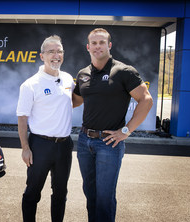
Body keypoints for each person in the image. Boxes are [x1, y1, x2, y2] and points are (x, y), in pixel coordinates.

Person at [72, 28, 153, 222]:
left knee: (104, 198)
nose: (97, 46)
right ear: (88, 47)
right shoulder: (83, 74)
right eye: (94, 43)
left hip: (109, 143)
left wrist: (126, 131)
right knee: (90, 193)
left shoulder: (124, 71)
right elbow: (74, 101)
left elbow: (146, 100)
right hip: (84, 142)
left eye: (101, 42)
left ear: (109, 45)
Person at [16, 35, 75, 222]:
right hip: (39, 145)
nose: (56, 55)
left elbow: (72, 102)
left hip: (64, 146)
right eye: (51, 52)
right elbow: (22, 118)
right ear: (42, 56)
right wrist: (25, 148)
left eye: (59, 51)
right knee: (32, 192)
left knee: (60, 193)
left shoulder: (67, 79)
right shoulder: (30, 84)